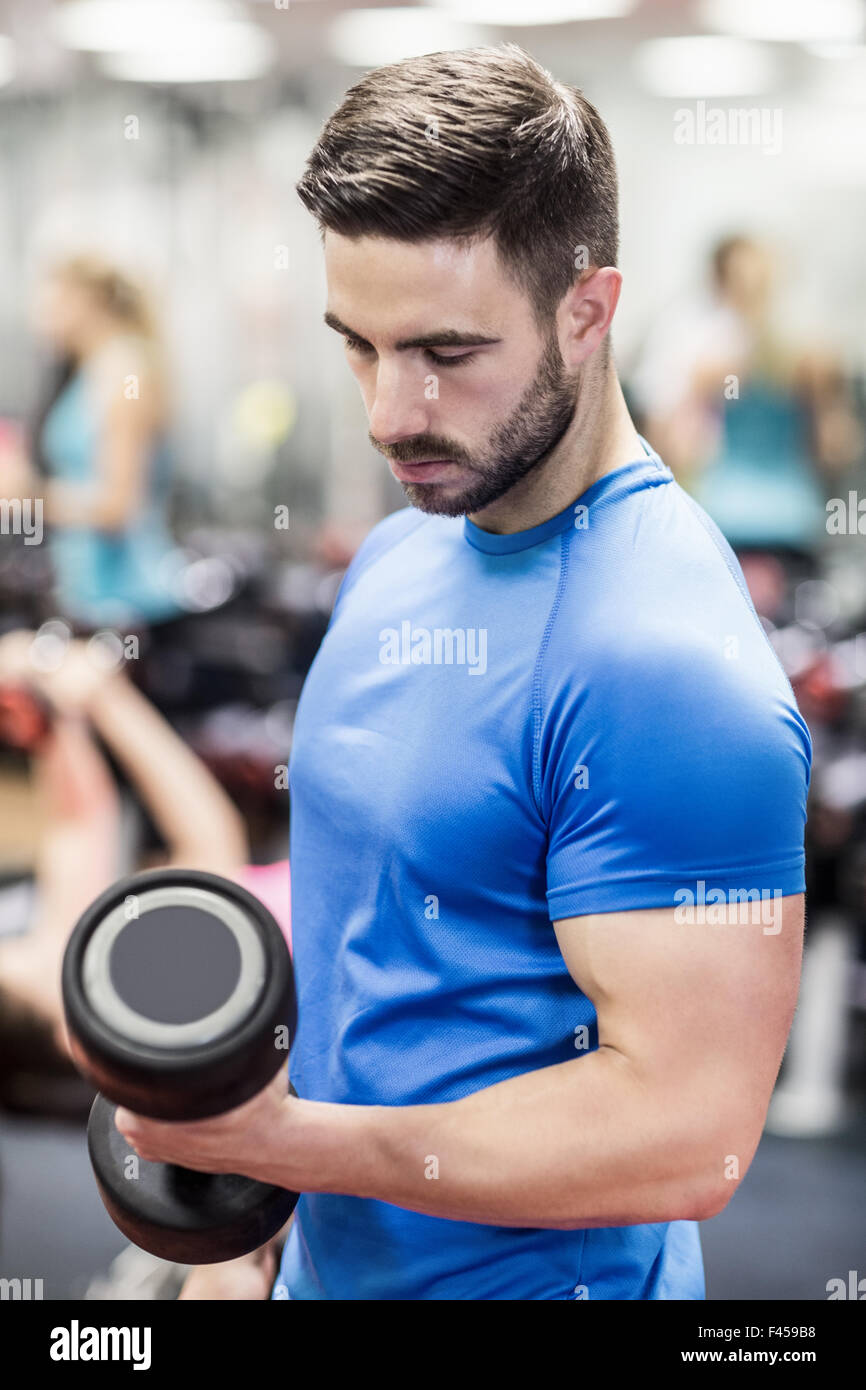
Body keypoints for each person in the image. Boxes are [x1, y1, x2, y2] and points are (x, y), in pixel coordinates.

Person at [109, 44, 811, 1302]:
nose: (388, 412)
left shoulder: (665, 666)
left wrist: (299, 1146)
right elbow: (364, 938)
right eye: (358, 347)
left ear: (586, 311)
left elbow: (685, 1133)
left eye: (443, 351)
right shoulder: (402, 552)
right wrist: (261, 1218)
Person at [0, 629, 290, 1102]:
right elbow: (211, 849)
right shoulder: (120, 1018)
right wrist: (109, 700)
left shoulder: (61, 971)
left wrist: (50, 719)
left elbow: (80, 822)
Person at [632, 235, 859, 557]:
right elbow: (836, 448)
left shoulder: (808, 363)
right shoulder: (711, 362)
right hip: (758, 513)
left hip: (750, 514)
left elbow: (835, 447)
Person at [13, 254, 183, 632]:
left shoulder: (124, 372)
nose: (39, 319)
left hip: (127, 594)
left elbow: (117, 506)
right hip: (86, 589)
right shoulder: (87, 371)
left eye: (52, 305)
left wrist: (25, 496)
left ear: (88, 302)